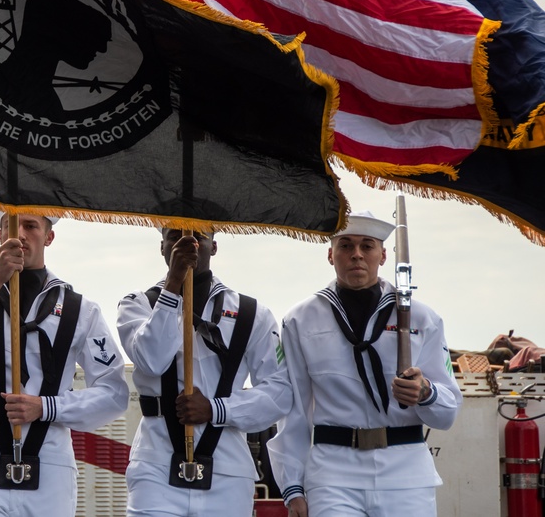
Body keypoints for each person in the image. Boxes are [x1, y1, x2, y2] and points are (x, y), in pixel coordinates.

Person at [268, 210, 462, 517]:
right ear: (330, 255)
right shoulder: (300, 319)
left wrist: (426, 393)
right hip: (333, 473)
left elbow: (447, 413)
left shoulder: (421, 317)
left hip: (405, 472)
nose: (356, 254)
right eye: (345, 246)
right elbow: (293, 410)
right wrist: (292, 487)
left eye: (367, 246)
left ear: (383, 256)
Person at [0, 208, 128, 517]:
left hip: (50, 454)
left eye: (31, 226)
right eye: (11, 226)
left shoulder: (79, 309)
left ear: (49, 236)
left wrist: (47, 407)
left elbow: (114, 393)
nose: (21, 235)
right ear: (0, 236)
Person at [117, 228, 291, 516]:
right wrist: (173, 285)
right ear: (162, 248)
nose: (189, 243)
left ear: (215, 246)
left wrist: (215, 409)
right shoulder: (137, 304)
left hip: (228, 470)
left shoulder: (252, 314)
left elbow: (280, 393)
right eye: (175, 237)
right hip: (156, 465)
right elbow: (152, 360)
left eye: (199, 236)